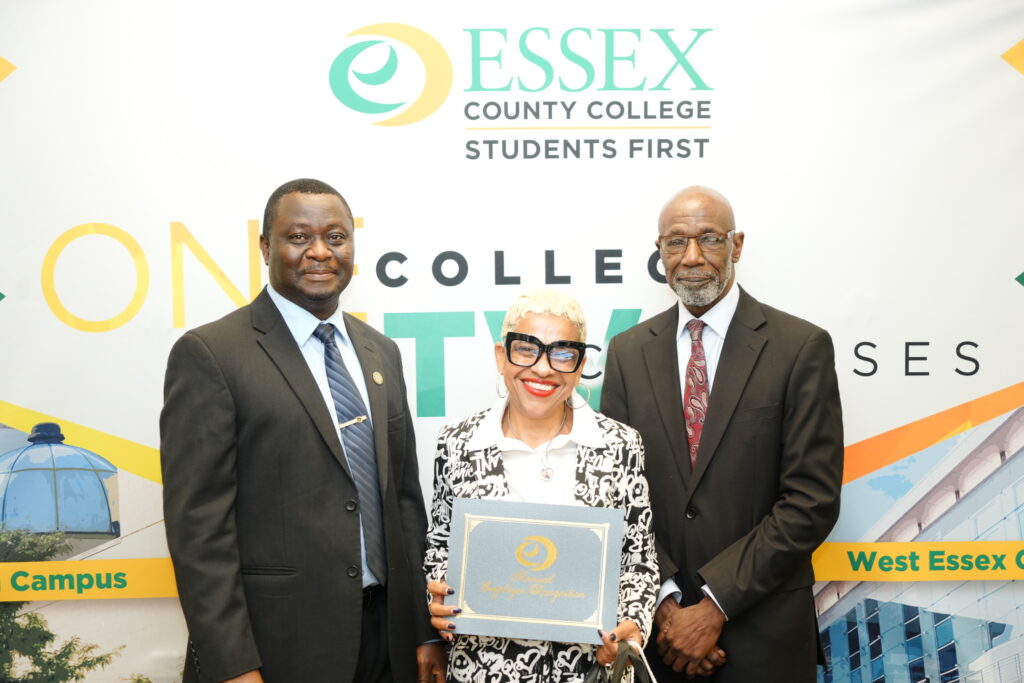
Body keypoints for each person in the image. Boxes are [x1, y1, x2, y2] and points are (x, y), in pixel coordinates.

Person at [160, 179, 445, 683]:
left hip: (388, 641)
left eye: (335, 237)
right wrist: (232, 665)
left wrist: (423, 631)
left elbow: (404, 502)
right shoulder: (212, 354)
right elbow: (198, 531)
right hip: (278, 648)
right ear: (266, 247)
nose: (319, 252)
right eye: (298, 237)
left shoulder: (381, 353)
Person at [600, 186, 844, 683]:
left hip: (764, 639)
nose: (691, 257)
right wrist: (667, 606)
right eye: (676, 241)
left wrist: (714, 606)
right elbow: (616, 496)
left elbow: (811, 500)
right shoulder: (627, 353)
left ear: (737, 245)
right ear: (660, 250)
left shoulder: (800, 347)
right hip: (656, 639)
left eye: (709, 238)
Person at [423, 289, 658, 682]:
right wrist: (439, 593)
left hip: (590, 671)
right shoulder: (458, 443)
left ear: (580, 366)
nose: (543, 368)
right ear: (501, 356)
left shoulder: (620, 445)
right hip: (484, 669)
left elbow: (638, 559)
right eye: (526, 350)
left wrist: (630, 627)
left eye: (562, 354)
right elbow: (441, 543)